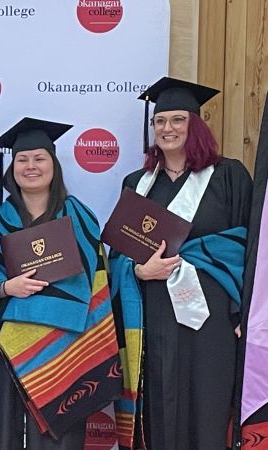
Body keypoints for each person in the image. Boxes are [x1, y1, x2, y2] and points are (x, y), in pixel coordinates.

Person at [110, 77, 253, 450]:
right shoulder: (137, 183)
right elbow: (117, 254)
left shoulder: (229, 176)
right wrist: (139, 271)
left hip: (213, 314)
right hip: (154, 312)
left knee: (208, 400)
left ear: (195, 125)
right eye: (160, 121)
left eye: (177, 120)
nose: (167, 129)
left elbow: (249, 248)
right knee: (157, 401)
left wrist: (245, 312)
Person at [0, 117, 122, 449]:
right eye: (22, 159)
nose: (31, 166)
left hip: (66, 346)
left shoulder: (78, 215)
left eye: (39, 158)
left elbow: (92, 279)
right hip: (7, 346)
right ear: (11, 167)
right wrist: (5, 288)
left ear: (54, 165)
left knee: (60, 436)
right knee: (2, 432)